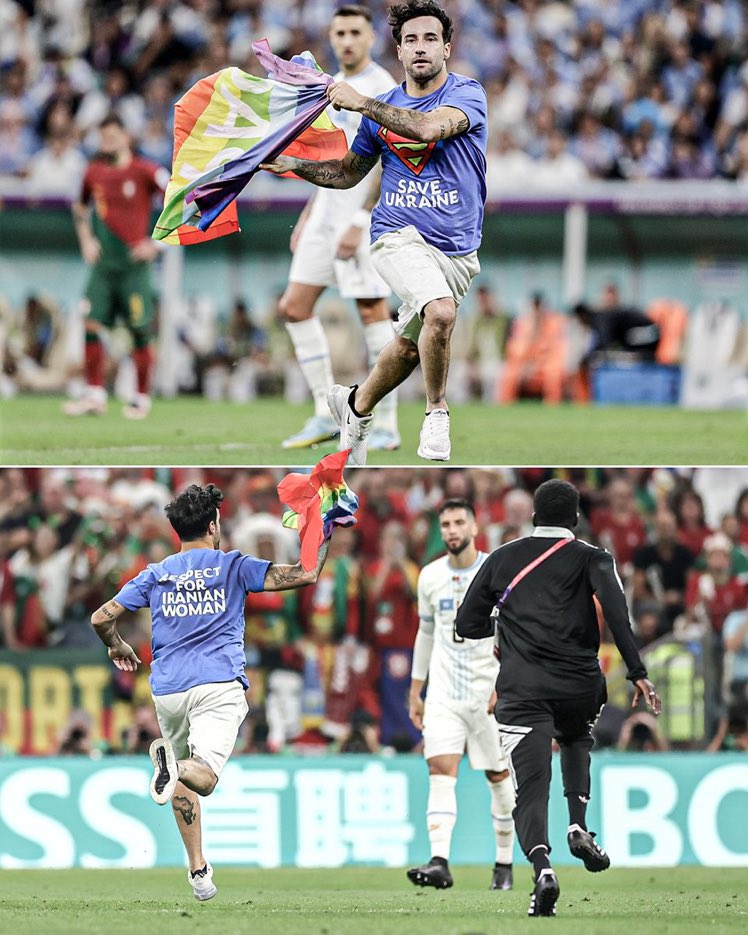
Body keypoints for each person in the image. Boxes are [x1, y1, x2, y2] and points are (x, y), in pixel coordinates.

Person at [261, 0, 487, 464]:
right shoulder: (383, 111)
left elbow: (426, 130)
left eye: (429, 39)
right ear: (399, 52)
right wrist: (292, 164)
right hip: (396, 235)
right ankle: (437, 411)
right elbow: (347, 173)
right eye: (410, 40)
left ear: (446, 47)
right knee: (440, 314)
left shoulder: (467, 95)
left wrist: (362, 102)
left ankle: (355, 406)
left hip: (459, 249)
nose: (420, 48)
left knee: (406, 349)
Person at [90, 482, 334, 900]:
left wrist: (117, 644)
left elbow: (101, 617)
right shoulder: (232, 565)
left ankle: (198, 869)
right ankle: (175, 763)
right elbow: (305, 573)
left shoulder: (157, 572)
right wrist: (324, 528)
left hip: (167, 691)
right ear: (213, 524)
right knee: (200, 776)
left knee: (177, 780)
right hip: (217, 684)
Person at [455, 479, 661, 918]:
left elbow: (466, 623)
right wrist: (638, 672)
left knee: (530, 787)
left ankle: (543, 869)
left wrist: (506, 624)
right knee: (575, 738)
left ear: (533, 518)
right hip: (579, 685)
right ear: (576, 520)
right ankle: (578, 824)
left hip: (523, 689)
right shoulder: (594, 558)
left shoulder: (502, 558)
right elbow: (617, 615)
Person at [279, 5, 400, 453]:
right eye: (340, 33)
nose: (347, 40)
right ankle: (324, 413)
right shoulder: (326, 87)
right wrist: (311, 213)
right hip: (325, 212)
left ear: (371, 38)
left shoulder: (382, 88)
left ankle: (386, 422)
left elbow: (391, 161)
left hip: (363, 217)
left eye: (355, 32)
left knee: (372, 311)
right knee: (294, 306)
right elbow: (333, 158)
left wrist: (361, 218)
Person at [408, 499, 515, 891]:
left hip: (489, 692)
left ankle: (504, 864)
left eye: (458, 523)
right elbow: (426, 633)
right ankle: (439, 861)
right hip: (444, 694)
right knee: (440, 771)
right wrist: (416, 689)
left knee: (498, 776)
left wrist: (507, 684)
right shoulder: (430, 576)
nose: (451, 530)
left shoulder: (497, 571)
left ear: (474, 526)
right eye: (446, 524)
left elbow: (514, 633)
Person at [64, 113, 168, 419]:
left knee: (140, 331)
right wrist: (85, 239)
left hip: (133, 267)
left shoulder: (146, 171)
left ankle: (141, 399)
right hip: (103, 265)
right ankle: (94, 395)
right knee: (91, 323)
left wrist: (156, 244)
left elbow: (180, 202)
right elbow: (79, 206)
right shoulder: (93, 173)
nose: (107, 142)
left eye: (112, 136)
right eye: (103, 137)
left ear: (126, 137)